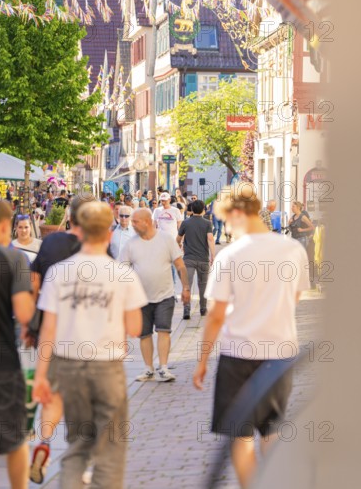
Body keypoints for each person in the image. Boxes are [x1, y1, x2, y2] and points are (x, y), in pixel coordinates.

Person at [193, 183, 310, 489]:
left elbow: (216, 315)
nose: (227, 227)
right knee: (271, 429)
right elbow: (294, 299)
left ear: (236, 214)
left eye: (227, 220)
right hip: (280, 353)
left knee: (240, 434)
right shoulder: (292, 250)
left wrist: (203, 360)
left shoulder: (231, 255)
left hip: (239, 353)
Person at [32, 202, 146, 489]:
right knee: (110, 447)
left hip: (69, 367)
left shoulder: (58, 273)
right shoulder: (122, 275)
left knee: (77, 444)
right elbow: (135, 328)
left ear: (78, 231)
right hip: (107, 367)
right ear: (109, 233)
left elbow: (48, 329)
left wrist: (42, 376)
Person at [28, 195, 98, 484]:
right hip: (84, 333)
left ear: (70, 215)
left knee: (53, 396)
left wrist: (32, 320)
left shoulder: (51, 242)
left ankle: (44, 442)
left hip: (52, 329)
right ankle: (79, 462)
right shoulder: (97, 248)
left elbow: (34, 282)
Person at [121, 209, 190, 382]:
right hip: (140, 298)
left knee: (163, 330)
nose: (132, 224)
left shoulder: (166, 239)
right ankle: (148, 368)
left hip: (165, 296)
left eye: (135, 221)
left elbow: (180, 266)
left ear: (146, 221)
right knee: (144, 334)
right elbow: (122, 271)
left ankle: (164, 367)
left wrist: (186, 288)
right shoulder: (131, 244)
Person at [0, 200, 34, 489]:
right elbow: (23, 313)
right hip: (2, 364)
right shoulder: (15, 260)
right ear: (6, 225)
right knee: (14, 437)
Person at [177, 200, 215, 320]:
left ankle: (186, 310)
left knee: (187, 285)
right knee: (203, 285)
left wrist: (178, 246)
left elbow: (178, 239)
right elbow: (210, 239)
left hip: (188, 259)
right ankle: (203, 309)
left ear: (192, 210)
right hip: (203, 259)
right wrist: (212, 255)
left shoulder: (186, 223)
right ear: (203, 210)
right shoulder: (207, 223)